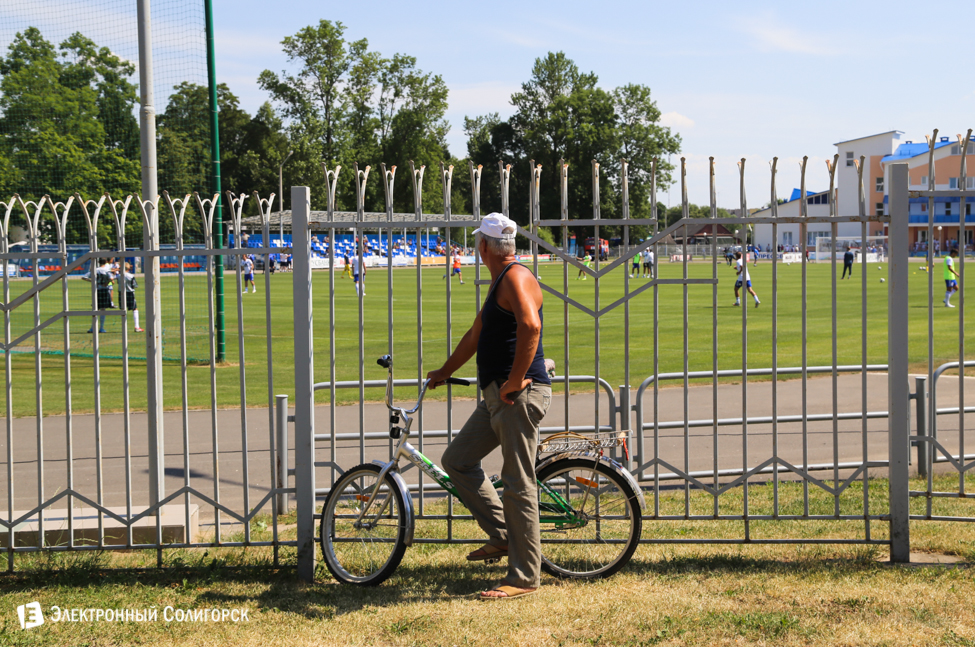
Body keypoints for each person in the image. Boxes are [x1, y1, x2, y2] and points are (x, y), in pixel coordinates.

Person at [427, 212, 552, 601]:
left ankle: (524, 576)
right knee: (458, 460)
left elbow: (531, 327)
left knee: (518, 484)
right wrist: (445, 372)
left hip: (515, 395)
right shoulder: (503, 278)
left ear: (484, 245)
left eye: (478, 240)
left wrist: (514, 381)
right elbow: (475, 335)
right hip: (498, 395)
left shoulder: (515, 277)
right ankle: (501, 536)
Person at [84, 259, 116, 333]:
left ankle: (92, 328)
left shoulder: (95, 270)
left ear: (99, 262)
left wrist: (92, 281)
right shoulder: (107, 270)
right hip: (105, 290)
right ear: (105, 262)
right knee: (103, 310)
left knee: (95, 309)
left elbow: (84, 277)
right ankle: (101, 328)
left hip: (97, 291)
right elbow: (112, 279)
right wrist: (106, 283)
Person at [122, 262, 144, 332]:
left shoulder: (119, 275)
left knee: (123, 310)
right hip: (130, 293)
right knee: (135, 309)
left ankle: (124, 327)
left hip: (121, 293)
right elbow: (135, 285)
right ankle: (136, 326)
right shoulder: (130, 276)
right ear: (128, 268)